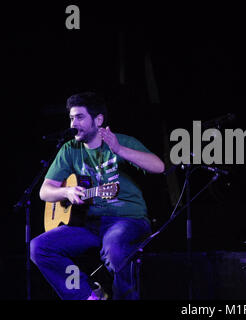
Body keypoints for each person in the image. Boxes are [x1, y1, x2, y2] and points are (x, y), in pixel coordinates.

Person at [31, 92, 165, 300]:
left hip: (127, 220)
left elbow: (159, 167)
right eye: (71, 118)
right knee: (40, 247)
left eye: (80, 117)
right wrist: (66, 191)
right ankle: (89, 296)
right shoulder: (69, 149)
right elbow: (45, 191)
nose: (74, 123)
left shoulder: (122, 141)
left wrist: (119, 149)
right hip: (88, 224)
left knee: (114, 248)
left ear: (98, 120)